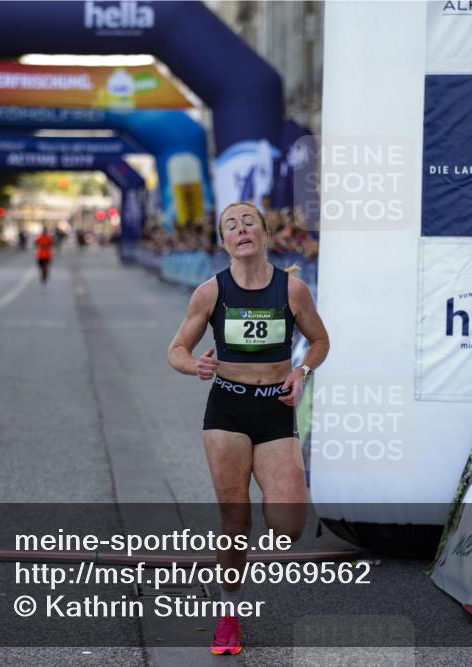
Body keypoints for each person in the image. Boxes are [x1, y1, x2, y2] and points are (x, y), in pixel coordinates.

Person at [167, 201, 330, 655]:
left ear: (262, 233)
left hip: (275, 409)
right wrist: (192, 364)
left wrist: (303, 371)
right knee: (235, 521)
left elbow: (320, 340)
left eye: (249, 222)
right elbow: (176, 349)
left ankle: (272, 479)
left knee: (286, 526)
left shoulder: (292, 290)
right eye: (230, 226)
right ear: (224, 242)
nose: (241, 229)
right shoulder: (209, 292)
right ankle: (229, 613)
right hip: (229, 412)